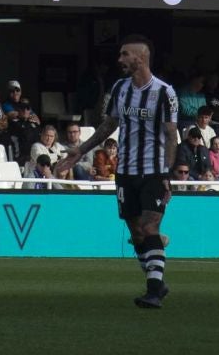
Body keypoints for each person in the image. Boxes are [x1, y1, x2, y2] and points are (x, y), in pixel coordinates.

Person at [49, 36, 178, 309]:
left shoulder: (165, 92)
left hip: (154, 171)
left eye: (124, 54)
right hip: (125, 171)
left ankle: (154, 289)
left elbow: (170, 134)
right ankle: (157, 279)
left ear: (140, 58)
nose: (119, 59)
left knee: (149, 226)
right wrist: (80, 150)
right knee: (135, 229)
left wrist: (167, 173)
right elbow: (109, 125)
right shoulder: (120, 88)